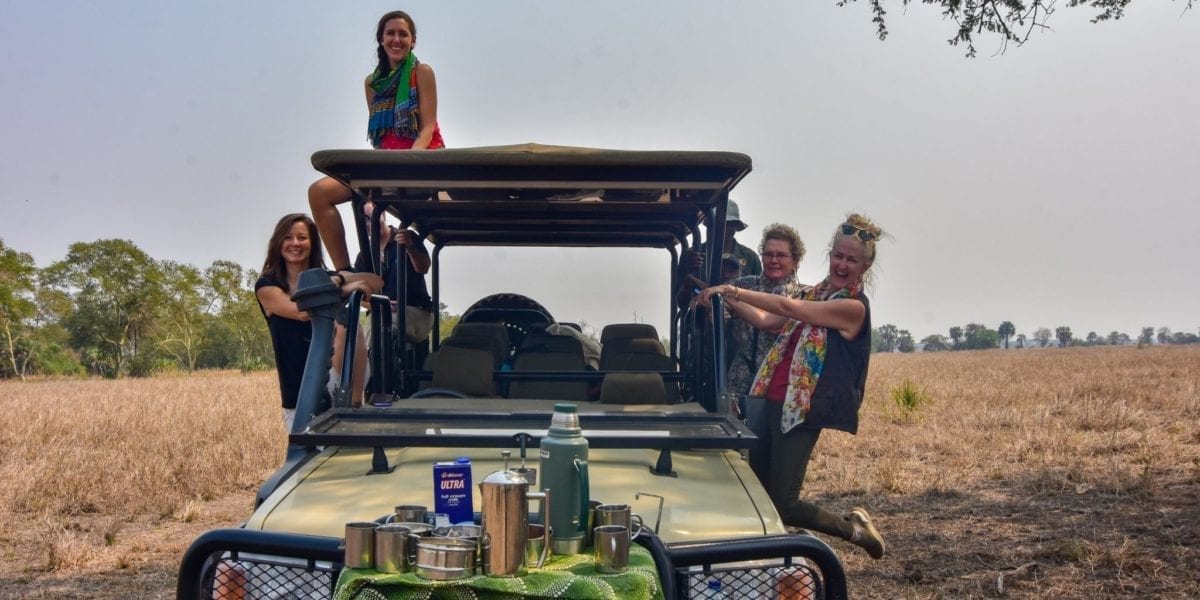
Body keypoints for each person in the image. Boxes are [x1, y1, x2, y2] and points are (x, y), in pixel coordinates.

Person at [698, 214, 887, 560]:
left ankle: (856, 532)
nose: (842, 264)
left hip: (800, 411)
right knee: (758, 492)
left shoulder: (850, 308)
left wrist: (731, 288)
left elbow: (787, 305)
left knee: (785, 502)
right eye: (838, 256)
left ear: (865, 265)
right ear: (829, 254)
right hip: (769, 400)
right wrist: (722, 299)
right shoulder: (818, 293)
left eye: (852, 259)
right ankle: (768, 559)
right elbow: (769, 320)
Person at [309, 10, 446, 273]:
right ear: (381, 40)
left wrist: (408, 163)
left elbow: (428, 127)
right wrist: (380, 170)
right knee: (319, 192)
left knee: (446, 205)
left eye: (403, 34)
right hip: (386, 163)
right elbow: (381, 138)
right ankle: (345, 270)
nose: (397, 40)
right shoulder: (372, 83)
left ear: (413, 41)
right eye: (390, 33)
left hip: (423, 160)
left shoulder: (422, 72)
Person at [255, 214, 382, 432]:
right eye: (288, 238)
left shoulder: (327, 277)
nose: (295, 243)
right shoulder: (267, 286)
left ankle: (353, 405)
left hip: (337, 377)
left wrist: (338, 279)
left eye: (302, 237)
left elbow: (375, 281)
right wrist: (344, 289)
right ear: (278, 243)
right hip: (301, 393)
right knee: (309, 457)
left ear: (312, 243)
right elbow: (304, 312)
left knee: (347, 323)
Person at [723, 224, 807, 419]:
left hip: (781, 385)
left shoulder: (804, 296)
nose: (773, 260)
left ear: (795, 260)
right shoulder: (743, 284)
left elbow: (770, 323)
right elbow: (713, 302)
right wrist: (716, 309)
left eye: (781, 255)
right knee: (736, 444)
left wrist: (732, 300)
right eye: (768, 254)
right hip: (740, 379)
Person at [354, 201, 434, 349]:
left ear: (383, 214)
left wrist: (410, 247)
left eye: (371, 217)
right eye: (363, 219)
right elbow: (359, 296)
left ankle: (374, 371)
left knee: (380, 325)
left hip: (416, 311)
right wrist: (376, 303)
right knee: (357, 331)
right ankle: (362, 368)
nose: (368, 223)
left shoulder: (406, 236)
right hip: (381, 314)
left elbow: (423, 267)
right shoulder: (364, 255)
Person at [676, 199, 761, 307]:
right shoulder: (692, 255)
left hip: (741, 318)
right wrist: (687, 276)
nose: (724, 228)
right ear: (710, 226)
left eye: (730, 224)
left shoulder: (750, 257)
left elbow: (761, 296)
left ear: (736, 227)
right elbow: (680, 302)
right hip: (701, 319)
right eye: (718, 224)